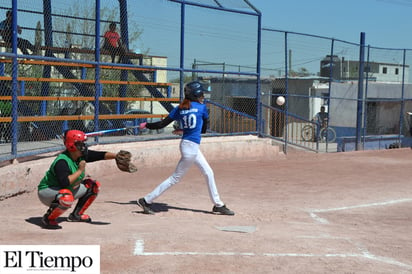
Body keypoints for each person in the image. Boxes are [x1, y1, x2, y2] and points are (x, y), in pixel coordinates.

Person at [136, 81, 235, 216]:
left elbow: (161, 124)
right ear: (195, 94)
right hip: (191, 148)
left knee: (208, 173)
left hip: (189, 145)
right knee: (175, 178)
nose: (202, 96)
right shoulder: (202, 107)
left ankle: (218, 204)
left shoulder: (180, 108)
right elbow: (203, 130)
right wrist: (185, 130)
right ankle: (146, 200)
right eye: (201, 93)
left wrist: (146, 125)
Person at [37, 129, 132, 229]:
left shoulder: (79, 155)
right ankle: (48, 218)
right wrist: (79, 170)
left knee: (93, 186)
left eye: (83, 143)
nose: (83, 146)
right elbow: (64, 182)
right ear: (71, 145)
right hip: (47, 192)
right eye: (80, 144)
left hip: (63, 190)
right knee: (66, 197)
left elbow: (99, 155)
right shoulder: (62, 161)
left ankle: (76, 215)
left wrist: (116, 156)